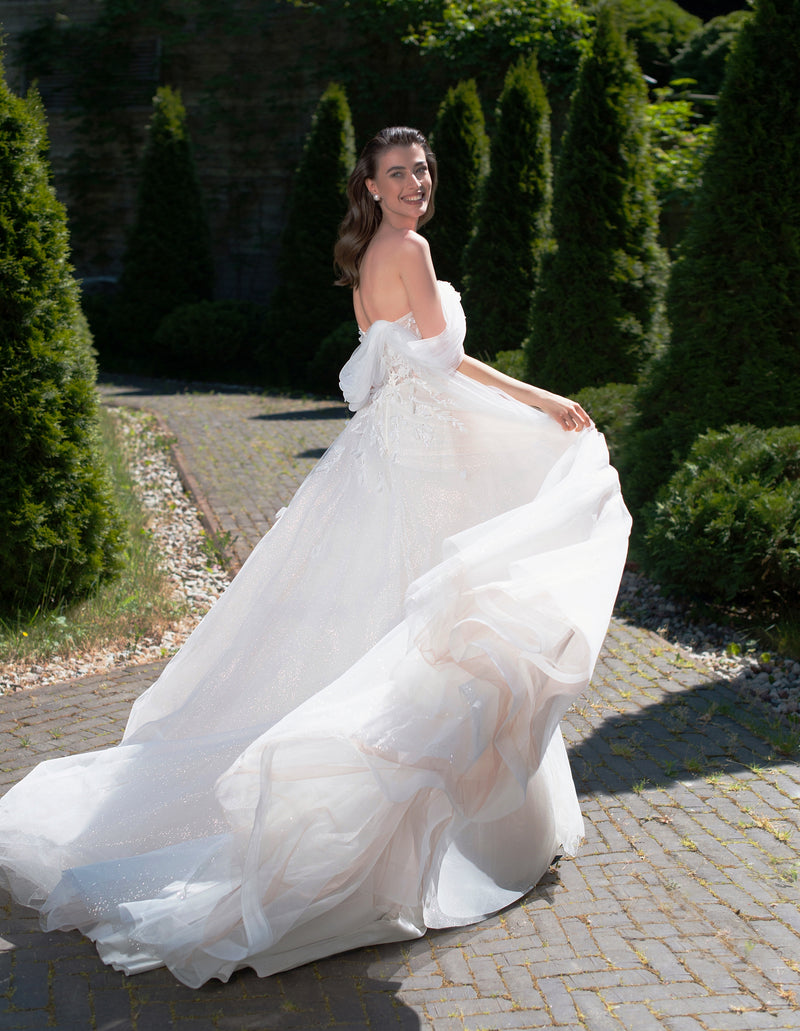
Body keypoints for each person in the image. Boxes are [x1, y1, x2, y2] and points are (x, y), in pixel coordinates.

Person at [0, 127, 631, 989]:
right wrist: (542, 399)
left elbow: (389, 370)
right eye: (399, 173)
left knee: (392, 619)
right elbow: (446, 367)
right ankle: (416, 827)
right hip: (412, 456)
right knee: (439, 617)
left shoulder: (371, 249)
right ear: (370, 185)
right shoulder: (409, 246)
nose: (416, 183)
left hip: (383, 454)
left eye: (423, 171)